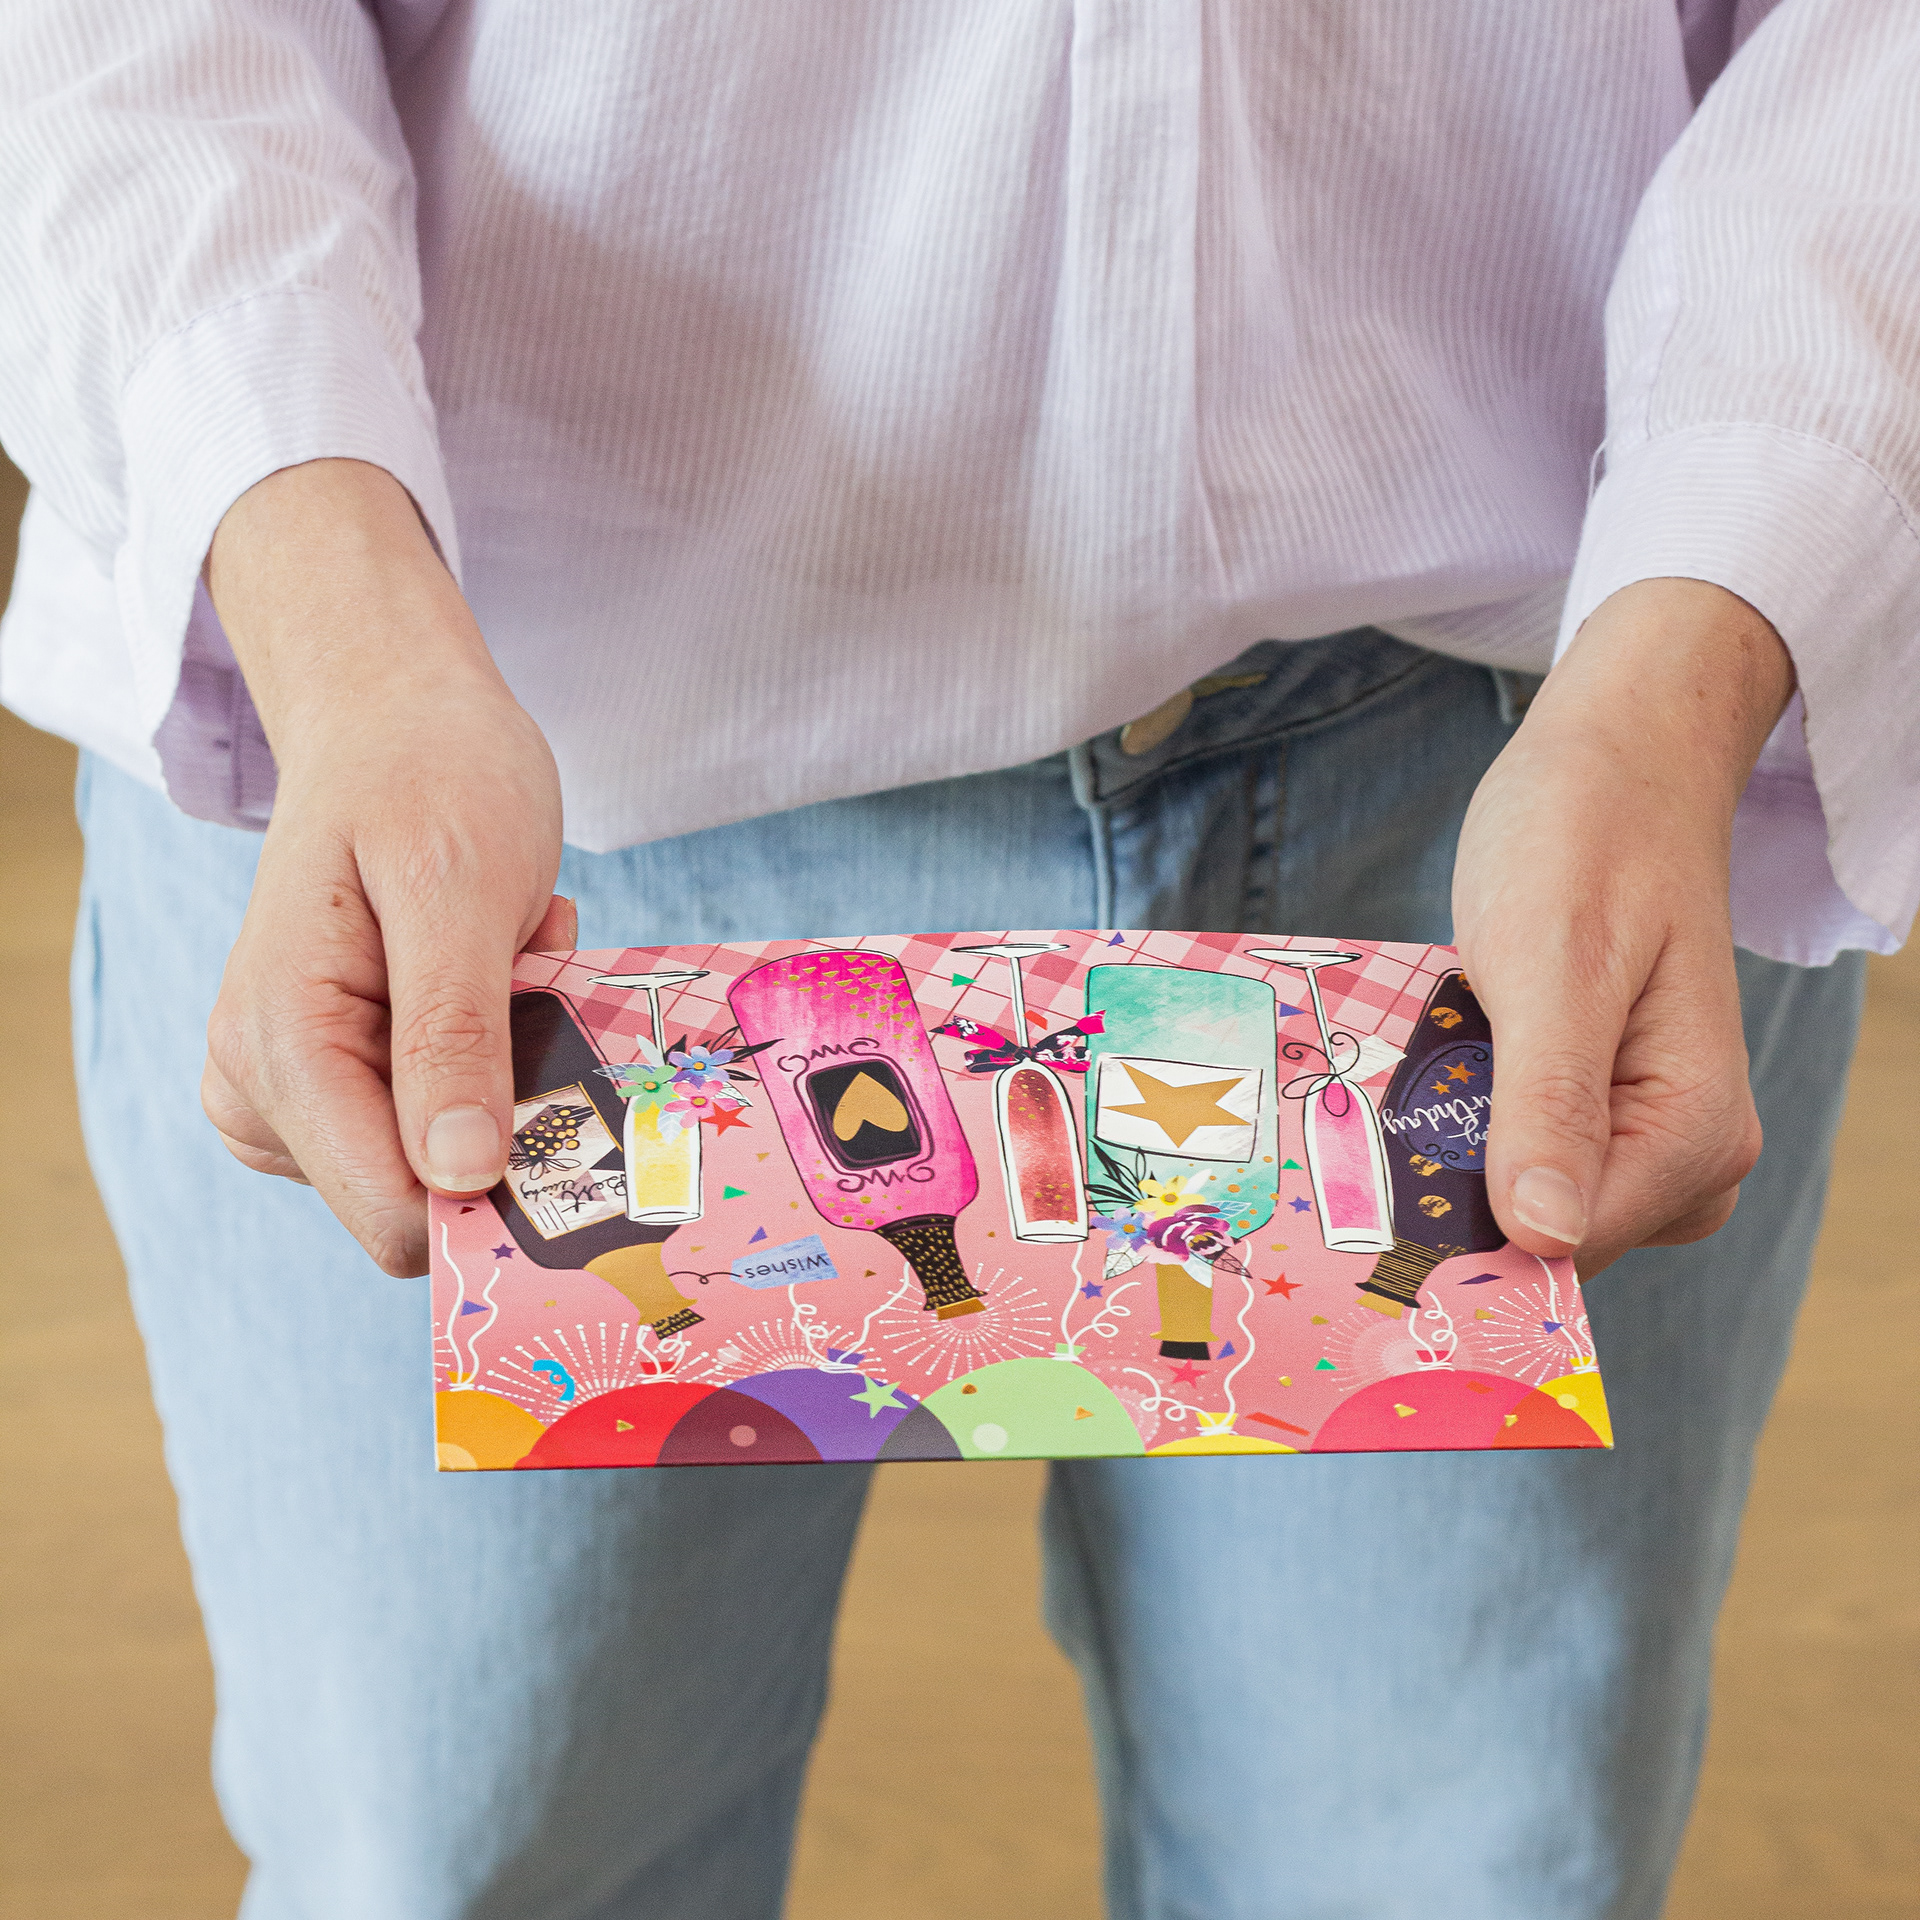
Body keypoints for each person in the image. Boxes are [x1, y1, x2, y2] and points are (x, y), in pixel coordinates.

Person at [2, 4, 1915, 1916]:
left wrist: (1693, 656)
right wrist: (338, 628)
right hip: (474, 777)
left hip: (1529, 766)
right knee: (478, 1865)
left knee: (1454, 1874)